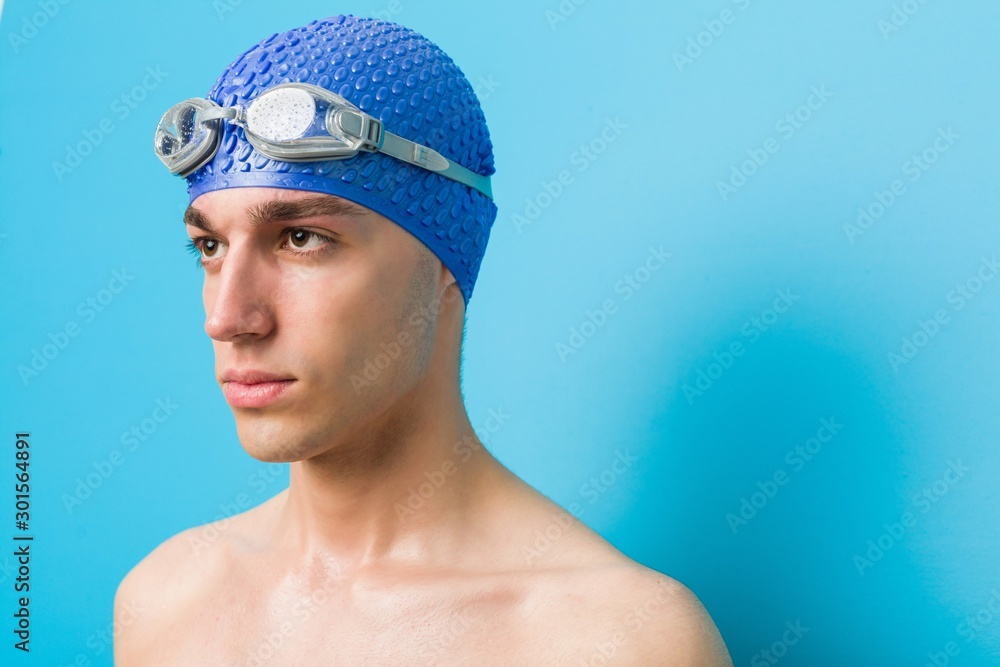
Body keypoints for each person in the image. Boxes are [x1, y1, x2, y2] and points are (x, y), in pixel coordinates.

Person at [114, 14, 734, 666]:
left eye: (301, 238)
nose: (228, 318)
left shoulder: (619, 640)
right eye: (210, 246)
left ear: (445, 259)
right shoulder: (167, 601)